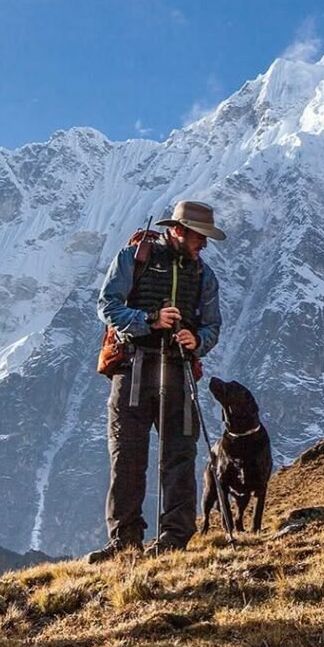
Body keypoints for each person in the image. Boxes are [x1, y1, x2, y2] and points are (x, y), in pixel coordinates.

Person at [85, 200, 224, 563]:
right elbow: (107, 305)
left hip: (177, 371)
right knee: (127, 458)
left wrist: (198, 340)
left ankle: (174, 539)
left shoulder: (204, 275)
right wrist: (150, 319)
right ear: (178, 230)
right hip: (133, 368)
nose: (203, 244)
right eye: (199, 236)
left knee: (179, 455)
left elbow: (212, 325)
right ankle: (124, 542)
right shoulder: (134, 258)